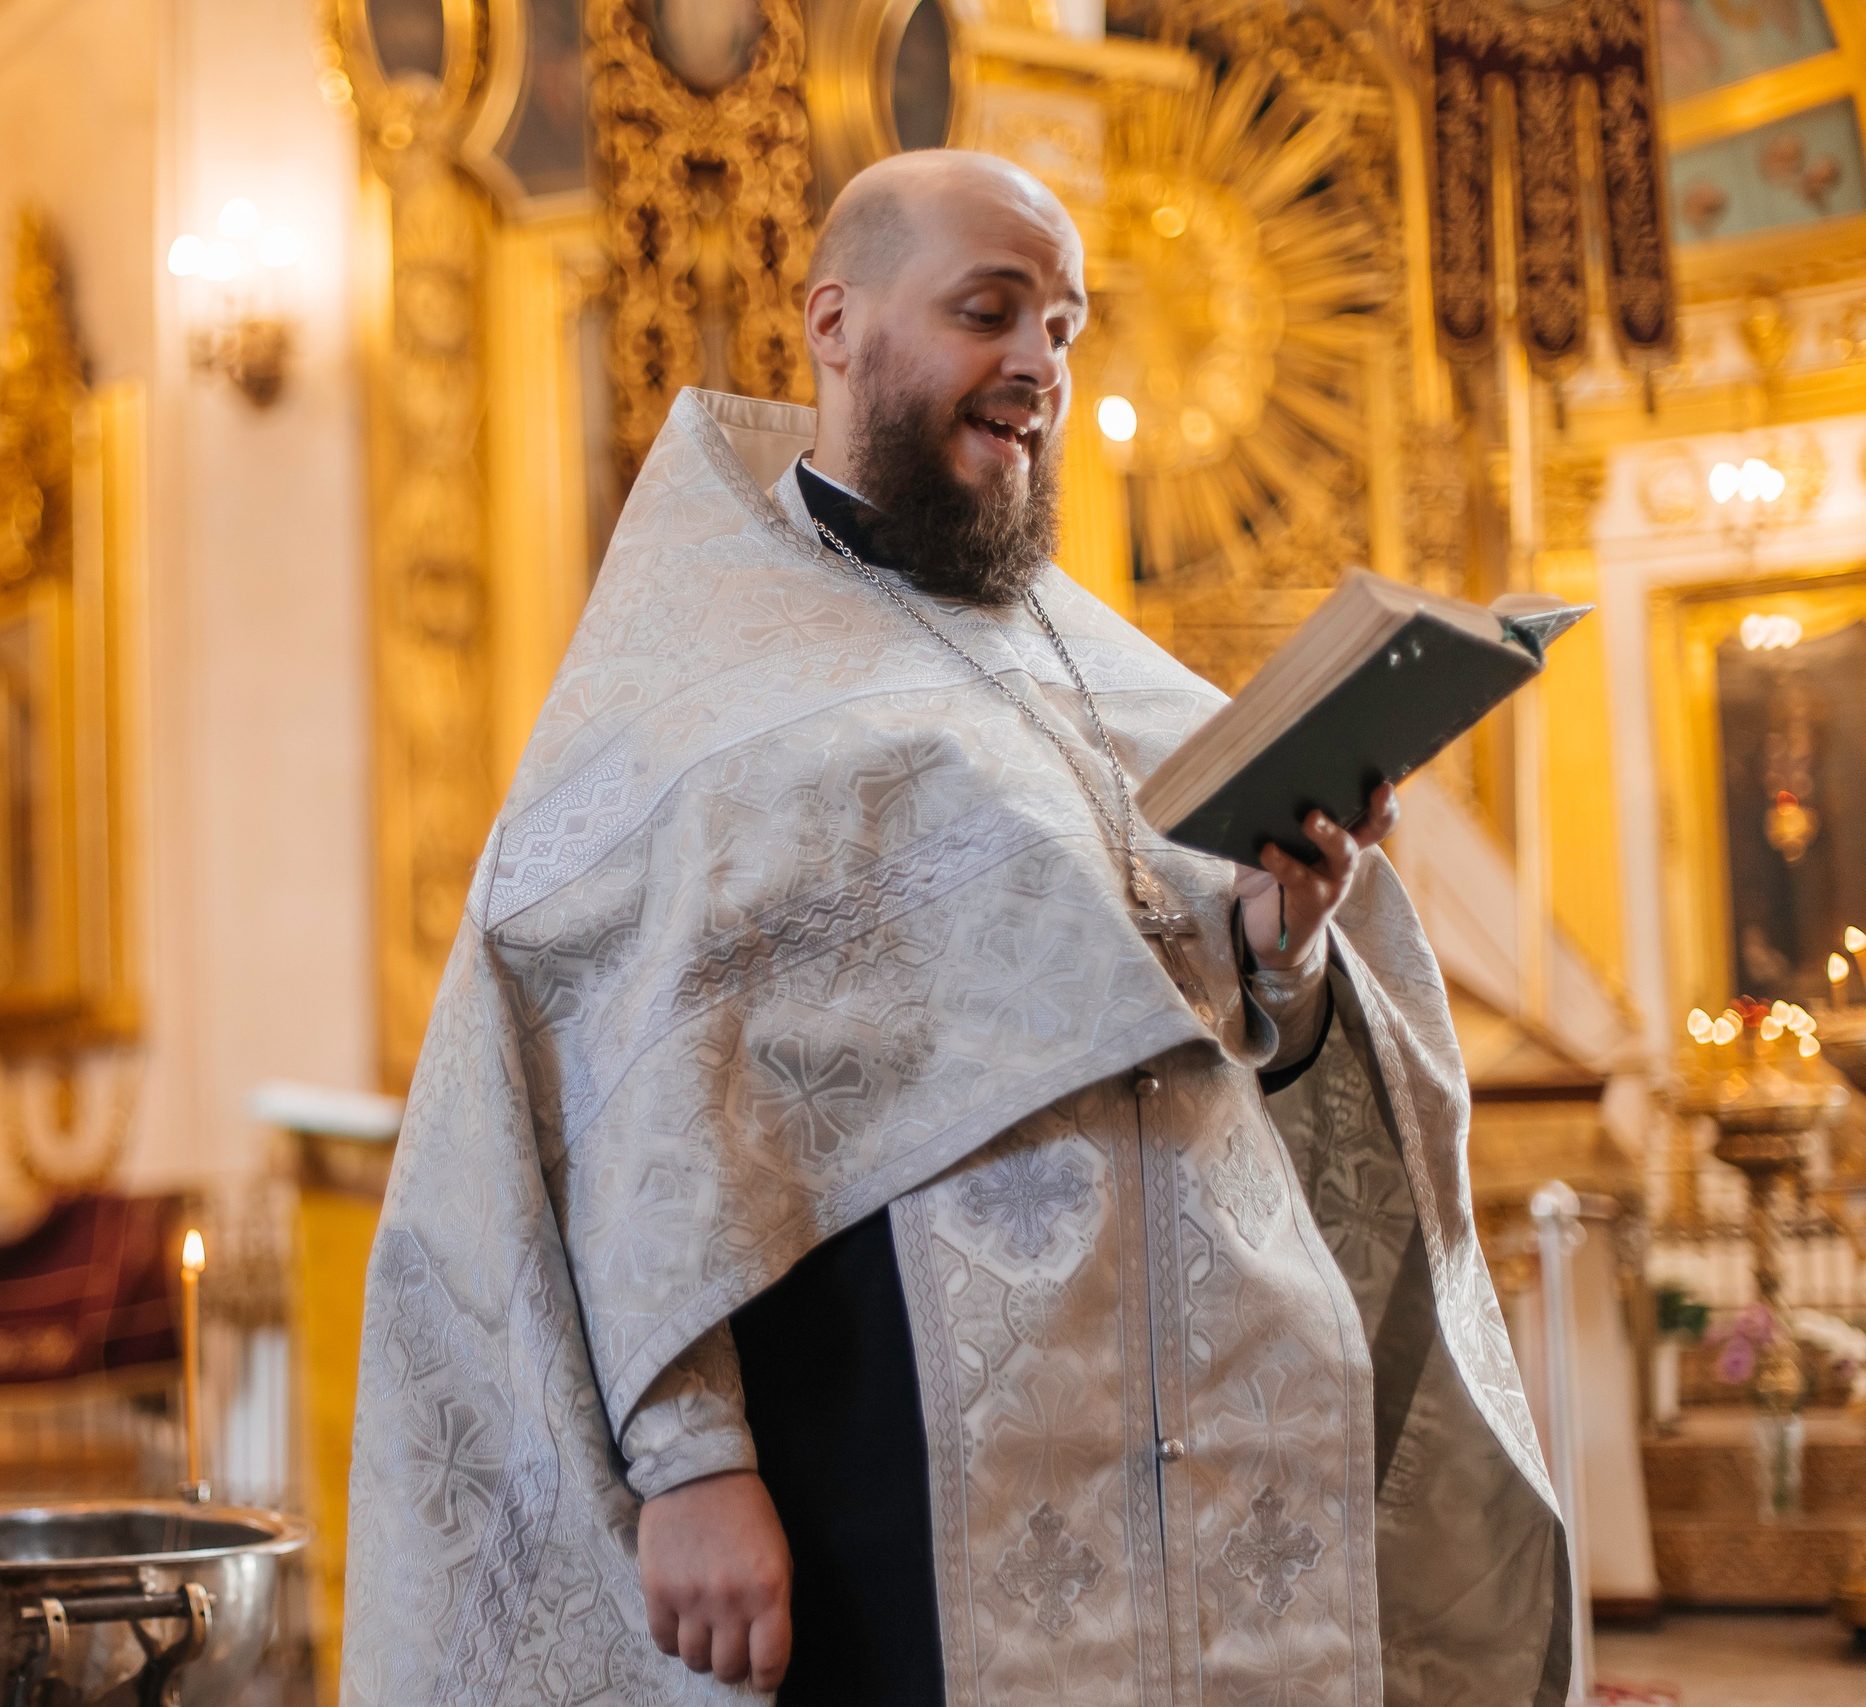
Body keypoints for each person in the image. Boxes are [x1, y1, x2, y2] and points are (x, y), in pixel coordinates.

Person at [345, 151, 1567, 1705]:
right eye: (989, 313)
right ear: (835, 324)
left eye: (1063, 326)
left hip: (1209, 1475)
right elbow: (610, 1103)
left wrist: (1280, 954)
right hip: (893, 1463)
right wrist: (691, 1461)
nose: (1039, 365)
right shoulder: (694, 703)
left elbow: (1244, 1056)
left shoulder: (1114, 678)